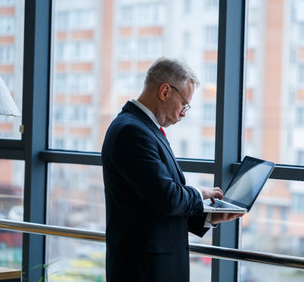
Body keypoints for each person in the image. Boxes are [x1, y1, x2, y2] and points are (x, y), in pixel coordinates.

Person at [101, 57, 242, 282]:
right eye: (184, 104)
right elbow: (166, 197)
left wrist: (208, 217)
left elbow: (152, 204)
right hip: (143, 270)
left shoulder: (144, 129)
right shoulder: (131, 132)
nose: (183, 113)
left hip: (152, 266)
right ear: (165, 91)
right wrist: (199, 193)